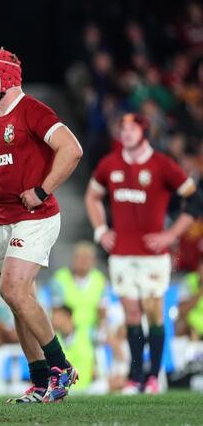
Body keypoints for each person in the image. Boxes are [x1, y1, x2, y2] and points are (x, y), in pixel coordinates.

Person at [0, 48, 84, 403]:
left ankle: (60, 367)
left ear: (7, 77)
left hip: (36, 217)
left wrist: (42, 189)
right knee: (17, 299)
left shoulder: (34, 111)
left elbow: (71, 149)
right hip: (3, 218)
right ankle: (41, 383)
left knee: (12, 290)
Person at [85, 112, 202, 394]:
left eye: (132, 128)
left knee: (153, 310)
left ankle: (153, 377)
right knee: (132, 314)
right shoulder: (109, 164)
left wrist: (171, 235)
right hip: (122, 254)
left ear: (145, 132)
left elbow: (193, 198)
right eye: (122, 128)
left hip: (153, 254)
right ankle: (135, 377)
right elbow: (92, 196)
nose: (125, 132)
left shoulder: (162, 164)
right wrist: (101, 230)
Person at [48, 242, 108, 390]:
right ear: (73, 260)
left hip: (91, 328)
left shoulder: (99, 280)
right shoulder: (60, 279)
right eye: (79, 258)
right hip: (67, 327)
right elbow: (57, 311)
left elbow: (103, 312)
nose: (82, 261)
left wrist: (102, 329)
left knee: (111, 337)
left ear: (93, 262)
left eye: (87, 258)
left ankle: (112, 379)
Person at [177, 260, 203, 339]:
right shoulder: (189, 281)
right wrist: (200, 292)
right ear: (198, 269)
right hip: (192, 326)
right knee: (179, 323)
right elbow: (181, 309)